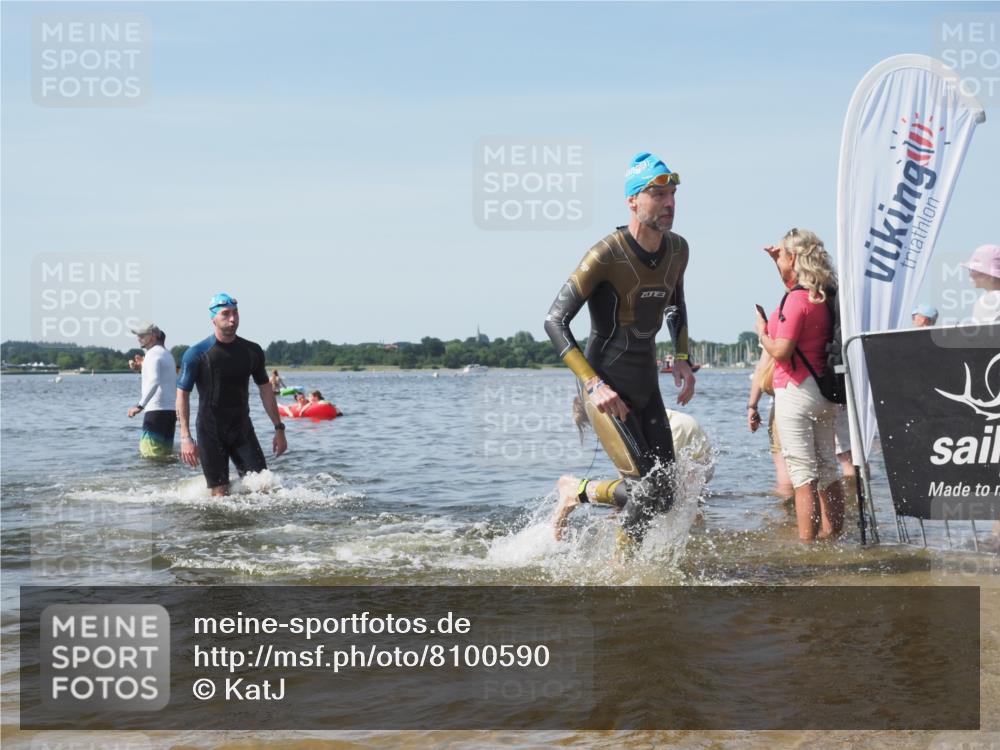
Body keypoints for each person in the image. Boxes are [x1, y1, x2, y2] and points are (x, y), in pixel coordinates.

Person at [545, 151, 696, 546]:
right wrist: (594, 385)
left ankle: (579, 490)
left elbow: (676, 304)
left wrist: (681, 359)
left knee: (665, 493)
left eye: (673, 195)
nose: (669, 204)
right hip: (606, 387)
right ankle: (623, 578)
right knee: (646, 490)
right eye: (658, 195)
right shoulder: (606, 254)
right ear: (633, 200)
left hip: (646, 384)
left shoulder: (678, 250)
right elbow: (554, 321)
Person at [755, 228, 845, 542]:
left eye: (781, 254)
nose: (777, 257)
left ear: (793, 258)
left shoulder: (796, 301)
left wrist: (762, 332)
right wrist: (775, 261)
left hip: (795, 391)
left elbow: (781, 350)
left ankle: (806, 548)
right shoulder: (825, 294)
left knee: (802, 474)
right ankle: (832, 536)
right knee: (828, 468)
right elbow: (791, 283)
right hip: (824, 392)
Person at [176, 293, 288, 495]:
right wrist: (185, 437)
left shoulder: (252, 351)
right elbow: (182, 395)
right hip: (210, 432)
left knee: (264, 486)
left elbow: (265, 390)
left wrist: (279, 429)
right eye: (225, 314)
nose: (233, 318)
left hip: (242, 430)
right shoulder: (196, 354)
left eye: (235, 313)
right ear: (213, 319)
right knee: (220, 495)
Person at [747, 350, 794, 502]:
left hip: (786, 396)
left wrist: (752, 406)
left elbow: (763, 366)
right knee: (825, 463)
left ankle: (788, 513)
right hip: (825, 396)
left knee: (783, 461)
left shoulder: (774, 328)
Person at [127, 323, 177, 458]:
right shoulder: (167, 354)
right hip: (170, 412)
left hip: (155, 412)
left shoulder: (152, 354)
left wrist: (139, 406)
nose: (138, 338)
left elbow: (154, 381)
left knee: (150, 456)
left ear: (153, 336)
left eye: (142, 335)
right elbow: (161, 379)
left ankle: (154, 479)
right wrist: (141, 368)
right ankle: (169, 480)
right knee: (165, 457)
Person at [962, 244, 1000, 324]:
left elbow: (980, 335)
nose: (970, 274)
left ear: (989, 274)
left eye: (973, 270)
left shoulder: (987, 301)